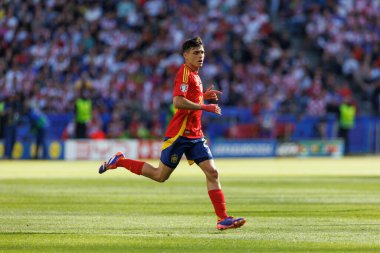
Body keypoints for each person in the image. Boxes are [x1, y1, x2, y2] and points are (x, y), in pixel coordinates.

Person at [98, 37, 246, 230]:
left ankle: (222, 218)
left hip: (195, 135)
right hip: (179, 134)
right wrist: (204, 106)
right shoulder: (184, 73)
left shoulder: (196, 75)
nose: (200, 56)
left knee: (213, 172)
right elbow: (177, 101)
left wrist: (202, 96)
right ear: (186, 55)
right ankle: (120, 161)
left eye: (202, 52)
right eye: (195, 53)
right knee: (160, 176)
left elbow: (188, 98)